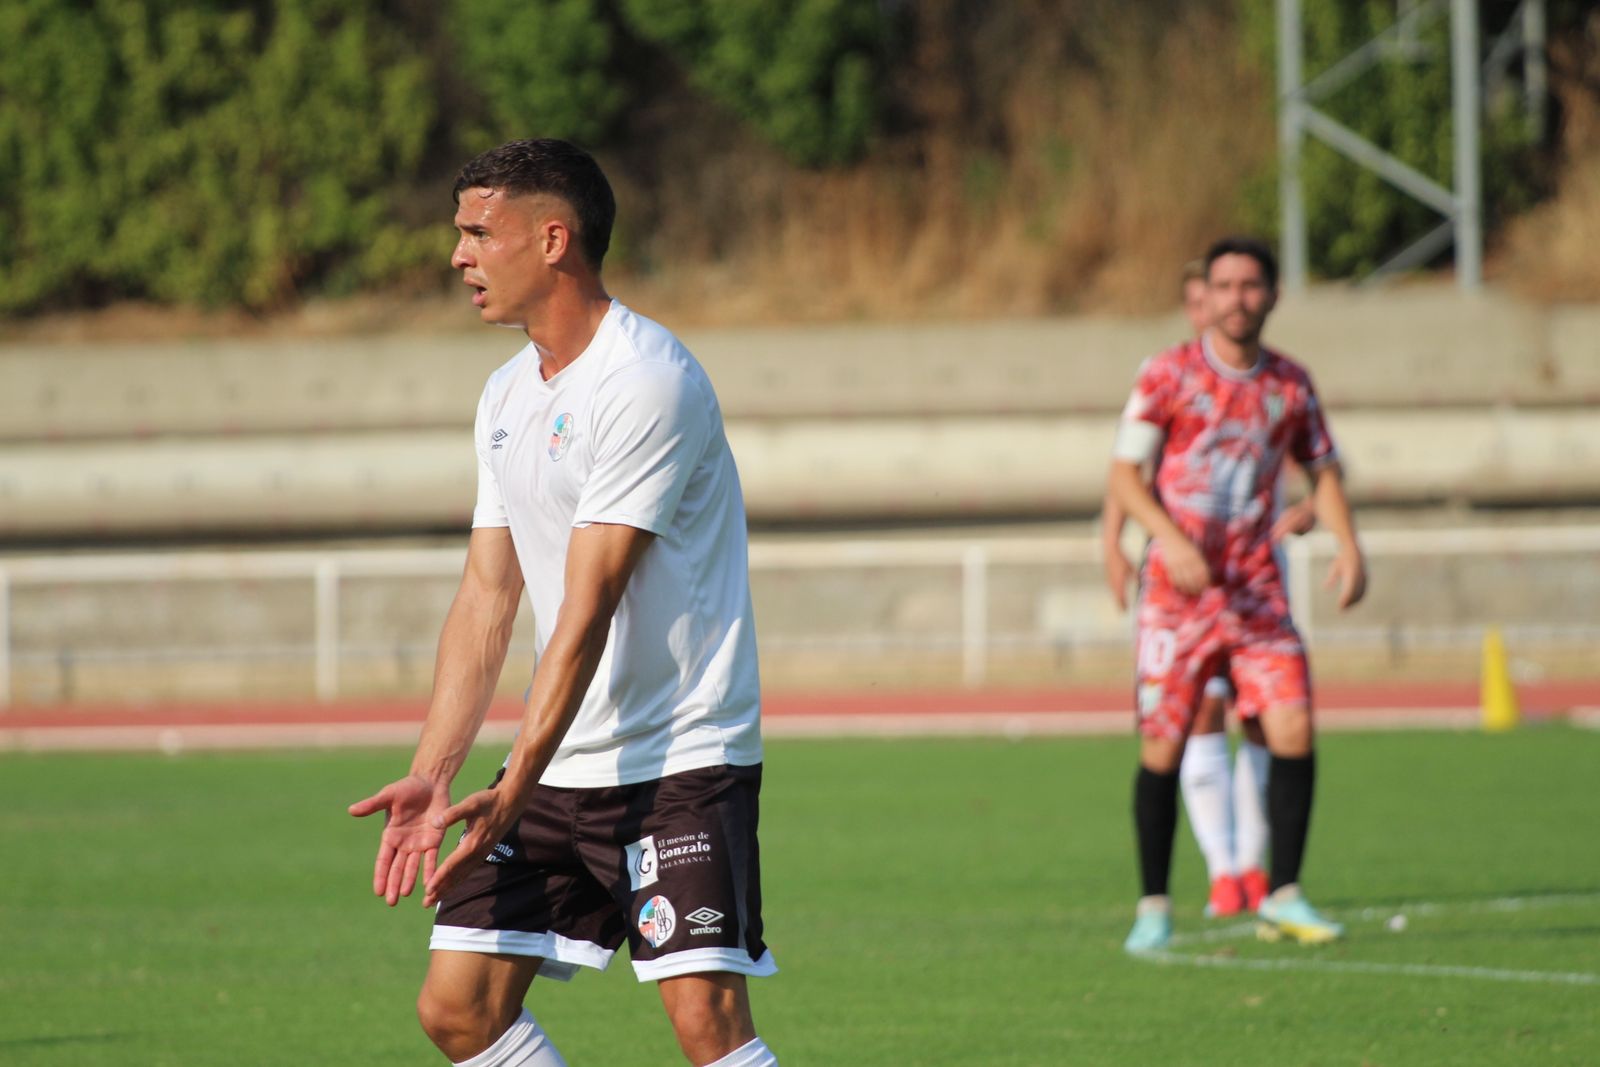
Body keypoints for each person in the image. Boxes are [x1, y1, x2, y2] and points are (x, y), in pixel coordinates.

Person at [349, 139, 778, 1067]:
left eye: (478, 233)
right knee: (458, 1009)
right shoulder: (506, 395)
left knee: (706, 1023)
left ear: (552, 240)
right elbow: (487, 596)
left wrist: (512, 787)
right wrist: (435, 770)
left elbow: (586, 610)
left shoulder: (646, 381)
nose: (457, 255)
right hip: (553, 763)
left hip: (676, 757)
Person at [1106, 236, 1366, 952]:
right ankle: (1154, 904)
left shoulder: (1290, 384)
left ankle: (1284, 893)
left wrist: (1349, 545)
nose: (1236, 299)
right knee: (1163, 746)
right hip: (1176, 597)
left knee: (1293, 728)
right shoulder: (1167, 374)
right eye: (1224, 286)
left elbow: (1323, 469)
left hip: (1255, 591)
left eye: (1250, 286)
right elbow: (1124, 476)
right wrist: (1169, 539)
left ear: (1273, 294)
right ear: (1208, 297)